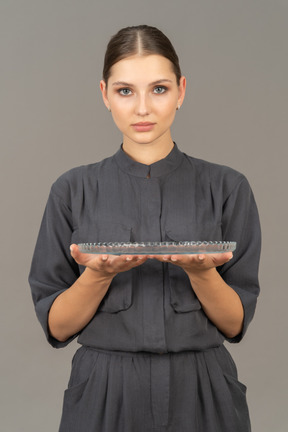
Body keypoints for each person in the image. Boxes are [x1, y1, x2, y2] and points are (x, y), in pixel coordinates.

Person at [29, 25, 261, 432]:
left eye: (158, 89)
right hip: (103, 392)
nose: (142, 109)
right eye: (125, 91)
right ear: (104, 94)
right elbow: (57, 326)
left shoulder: (228, 187)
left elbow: (234, 324)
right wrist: (96, 276)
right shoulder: (72, 189)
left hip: (203, 391)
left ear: (181, 91)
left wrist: (201, 271)